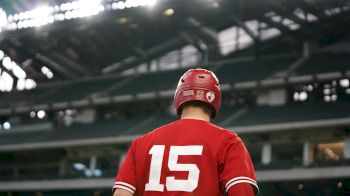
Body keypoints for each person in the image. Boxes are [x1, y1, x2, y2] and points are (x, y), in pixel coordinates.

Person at [113, 68, 258, 196]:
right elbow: (241, 191)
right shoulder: (229, 141)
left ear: (179, 97)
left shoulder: (141, 143)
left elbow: (121, 193)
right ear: (215, 100)